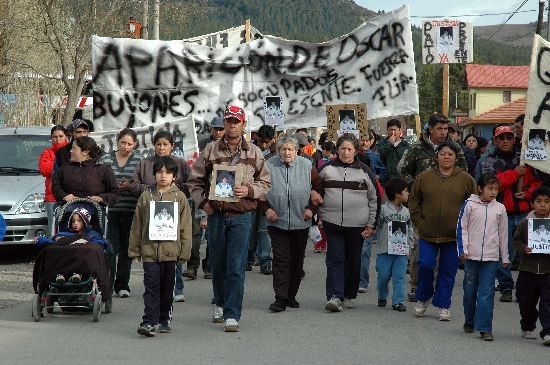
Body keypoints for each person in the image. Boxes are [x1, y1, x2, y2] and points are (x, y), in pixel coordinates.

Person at [187, 105, 271, 332]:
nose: (232, 125)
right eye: (229, 121)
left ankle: (232, 313)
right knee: (218, 263)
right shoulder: (210, 150)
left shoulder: (254, 152)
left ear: (243, 125)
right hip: (216, 216)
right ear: (224, 124)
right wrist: (204, 204)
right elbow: (194, 181)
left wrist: (250, 191)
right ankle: (219, 302)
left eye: (237, 121)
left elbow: (265, 183)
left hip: (242, 217)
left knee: (235, 266)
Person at [400, 113, 467, 303]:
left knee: (444, 253)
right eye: (439, 128)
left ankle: (438, 289)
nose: (443, 132)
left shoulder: (456, 149)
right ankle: (416, 286)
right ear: (430, 129)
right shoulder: (416, 148)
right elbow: (404, 171)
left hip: (448, 208)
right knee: (420, 252)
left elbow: (464, 174)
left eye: (446, 129)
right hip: (423, 208)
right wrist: (416, 189)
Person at [409, 141, 476, 321]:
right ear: (436, 156)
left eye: (450, 154)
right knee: (426, 265)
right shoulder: (424, 177)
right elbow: (413, 200)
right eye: (442, 154)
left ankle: (443, 304)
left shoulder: (466, 179)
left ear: (456, 158)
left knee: (448, 270)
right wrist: (419, 222)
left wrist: (466, 227)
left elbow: (474, 204)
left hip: (454, 236)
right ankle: (423, 298)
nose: (446, 157)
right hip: (427, 233)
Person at [476, 124, 541, 303]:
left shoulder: (525, 159)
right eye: (501, 138)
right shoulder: (487, 160)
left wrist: (527, 194)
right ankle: (506, 286)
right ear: (495, 140)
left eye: (509, 137)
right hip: (499, 212)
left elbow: (537, 182)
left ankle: (526, 289)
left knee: (527, 253)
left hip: (524, 212)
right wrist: (514, 174)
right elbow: (491, 184)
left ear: (514, 139)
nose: (505, 141)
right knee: (502, 253)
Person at [129, 156, 192, 337]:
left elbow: (185, 227)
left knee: (167, 290)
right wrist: (135, 250)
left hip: (171, 253)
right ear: (154, 174)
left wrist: (184, 252)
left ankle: (164, 319)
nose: (163, 176)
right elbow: (137, 224)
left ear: (174, 176)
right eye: (159, 172)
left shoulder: (179, 198)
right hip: (150, 252)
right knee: (151, 287)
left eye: (168, 172)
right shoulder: (146, 196)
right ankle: (148, 321)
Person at [318, 133, 380, 312]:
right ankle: (335, 296)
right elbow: (315, 192)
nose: (345, 152)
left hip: (357, 225)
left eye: (349, 149)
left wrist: (371, 224)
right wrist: (318, 217)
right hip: (332, 222)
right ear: (337, 150)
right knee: (335, 259)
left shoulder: (364, 171)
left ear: (355, 151)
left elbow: (375, 198)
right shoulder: (326, 169)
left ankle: (349, 294)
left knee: (353, 261)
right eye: (342, 148)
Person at [262, 134, 322, 312]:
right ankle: (280, 297)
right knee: (281, 260)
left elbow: (318, 188)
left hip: (300, 221)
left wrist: (311, 209)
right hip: (277, 221)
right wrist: (266, 209)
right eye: (283, 149)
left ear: (297, 151)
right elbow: (259, 190)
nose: (287, 153)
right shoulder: (269, 165)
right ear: (278, 150)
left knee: (296, 261)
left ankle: (291, 295)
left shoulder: (306, 165)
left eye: (290, 149)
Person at [132, 130, 194, 300]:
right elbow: (134, 184)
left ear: (172, 146)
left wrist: (175, 190)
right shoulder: (145, 163)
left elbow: (191, 183)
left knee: (172, 249)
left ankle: (177, 288)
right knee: (154, 253)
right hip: (151, 208)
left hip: (173, 205)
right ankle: (154, 290)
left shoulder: (180, 163)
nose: (162, 147)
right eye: (158, 144)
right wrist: (149, 189)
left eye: (165, 144)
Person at [457, 173, 509, 341]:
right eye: (490, 188)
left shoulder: (500, 208)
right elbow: (462, 228)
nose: (493, 192)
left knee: (486, 292)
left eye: (496, 189)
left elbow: (503, 234)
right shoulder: (469, 205)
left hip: (491, 258)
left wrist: (505, 257)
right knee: (470, 290)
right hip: (471, 256)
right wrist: (462, 250)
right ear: (480, 189)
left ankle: (485, 328)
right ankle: (469, 319)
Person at [99, 128, 141, 298]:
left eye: (130, 144)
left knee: (126, 250)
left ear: (135, 144)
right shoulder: (106, 159)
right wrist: (113, 186)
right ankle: (107, 284)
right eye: (123, 142)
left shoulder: (139, 160)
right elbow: (99, 181)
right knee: (110, 249)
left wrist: (129, 187)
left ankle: (122, 285)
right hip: (111, 211)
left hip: (131, 211)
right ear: (117, 142)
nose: (126, 146)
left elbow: (142, 184)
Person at [512, 186, 550, 345]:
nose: (543, 205)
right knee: (525, 301)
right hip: (528, 270)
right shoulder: (525, 223)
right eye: (539, 201)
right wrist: (524, 248)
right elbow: (516, 241)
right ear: (532, 204)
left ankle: (547, 331)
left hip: (548, 271)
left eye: (547, 202)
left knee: (547, 303)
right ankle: (527, 325)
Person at [374, 178, 413, 312]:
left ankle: (398, 301)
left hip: (401, 251)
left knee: (399, 276)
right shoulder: (383, 209)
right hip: (384, 250)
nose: (408, 194)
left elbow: (410, 229)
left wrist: (410, 245)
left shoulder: (406, 212)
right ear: (397, 193)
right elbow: (376, 225)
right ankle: (382, 296)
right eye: (406, 191)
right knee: (383, 276)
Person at [52, 136, 118, 207]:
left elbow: (115, 193)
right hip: (68, 210)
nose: (70, 151)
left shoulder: (103, 169)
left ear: (85, 152)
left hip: (95, 212)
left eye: (74, 148)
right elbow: (55, 186)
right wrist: (64, 196)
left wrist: (101, 198)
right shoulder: (64, 169)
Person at [248, 125, 276, 274]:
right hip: (252, 195)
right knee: (250, 228)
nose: (264, 145)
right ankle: (248, 258)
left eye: (267, 142)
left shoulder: (277, 153)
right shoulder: (250, 150)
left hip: (267, 197)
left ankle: (265, 260)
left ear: (273, 139)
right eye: (261, 141)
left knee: (264, 230)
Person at [38, 125, 68, 235]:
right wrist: (59, 163)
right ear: (51, 138)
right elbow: (44, 170)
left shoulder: (72, 150)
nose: (58, 139)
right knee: (53, 229)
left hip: (70, 195)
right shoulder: (47, 152)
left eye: (61, 136)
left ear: (66, 136)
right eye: (55, 137)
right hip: (52, 197)